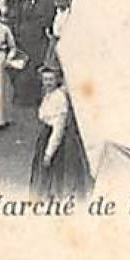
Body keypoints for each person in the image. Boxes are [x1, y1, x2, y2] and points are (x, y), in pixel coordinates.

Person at [30, 68, 90, 199]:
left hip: (54, 139)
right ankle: (46, 195)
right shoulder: (49, 95)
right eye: (45, 79)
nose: (48, 83)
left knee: (54, 168)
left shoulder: (59, 99)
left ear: (57, 80)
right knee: (45, 171)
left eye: (51, 79)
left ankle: (54, 196)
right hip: (45, 136)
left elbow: (58, 129)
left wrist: (49, 152)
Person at [13, 0, 56, 107]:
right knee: (22, 67)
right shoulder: (23, 1)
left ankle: (36, 98)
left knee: (36, 68)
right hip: (23, 40)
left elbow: (48, 20)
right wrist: (18, 33)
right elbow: (18, 18)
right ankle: (22, 97)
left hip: (38, 40)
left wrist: (36, 27)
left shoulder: (47, 3)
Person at [44, 0, 71, 69]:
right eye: (57, 0)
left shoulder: (69, 14)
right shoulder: (57, 12)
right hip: (54, 40)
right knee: (50, 63)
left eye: (61, 0)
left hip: (63, 41)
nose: (58, 2)